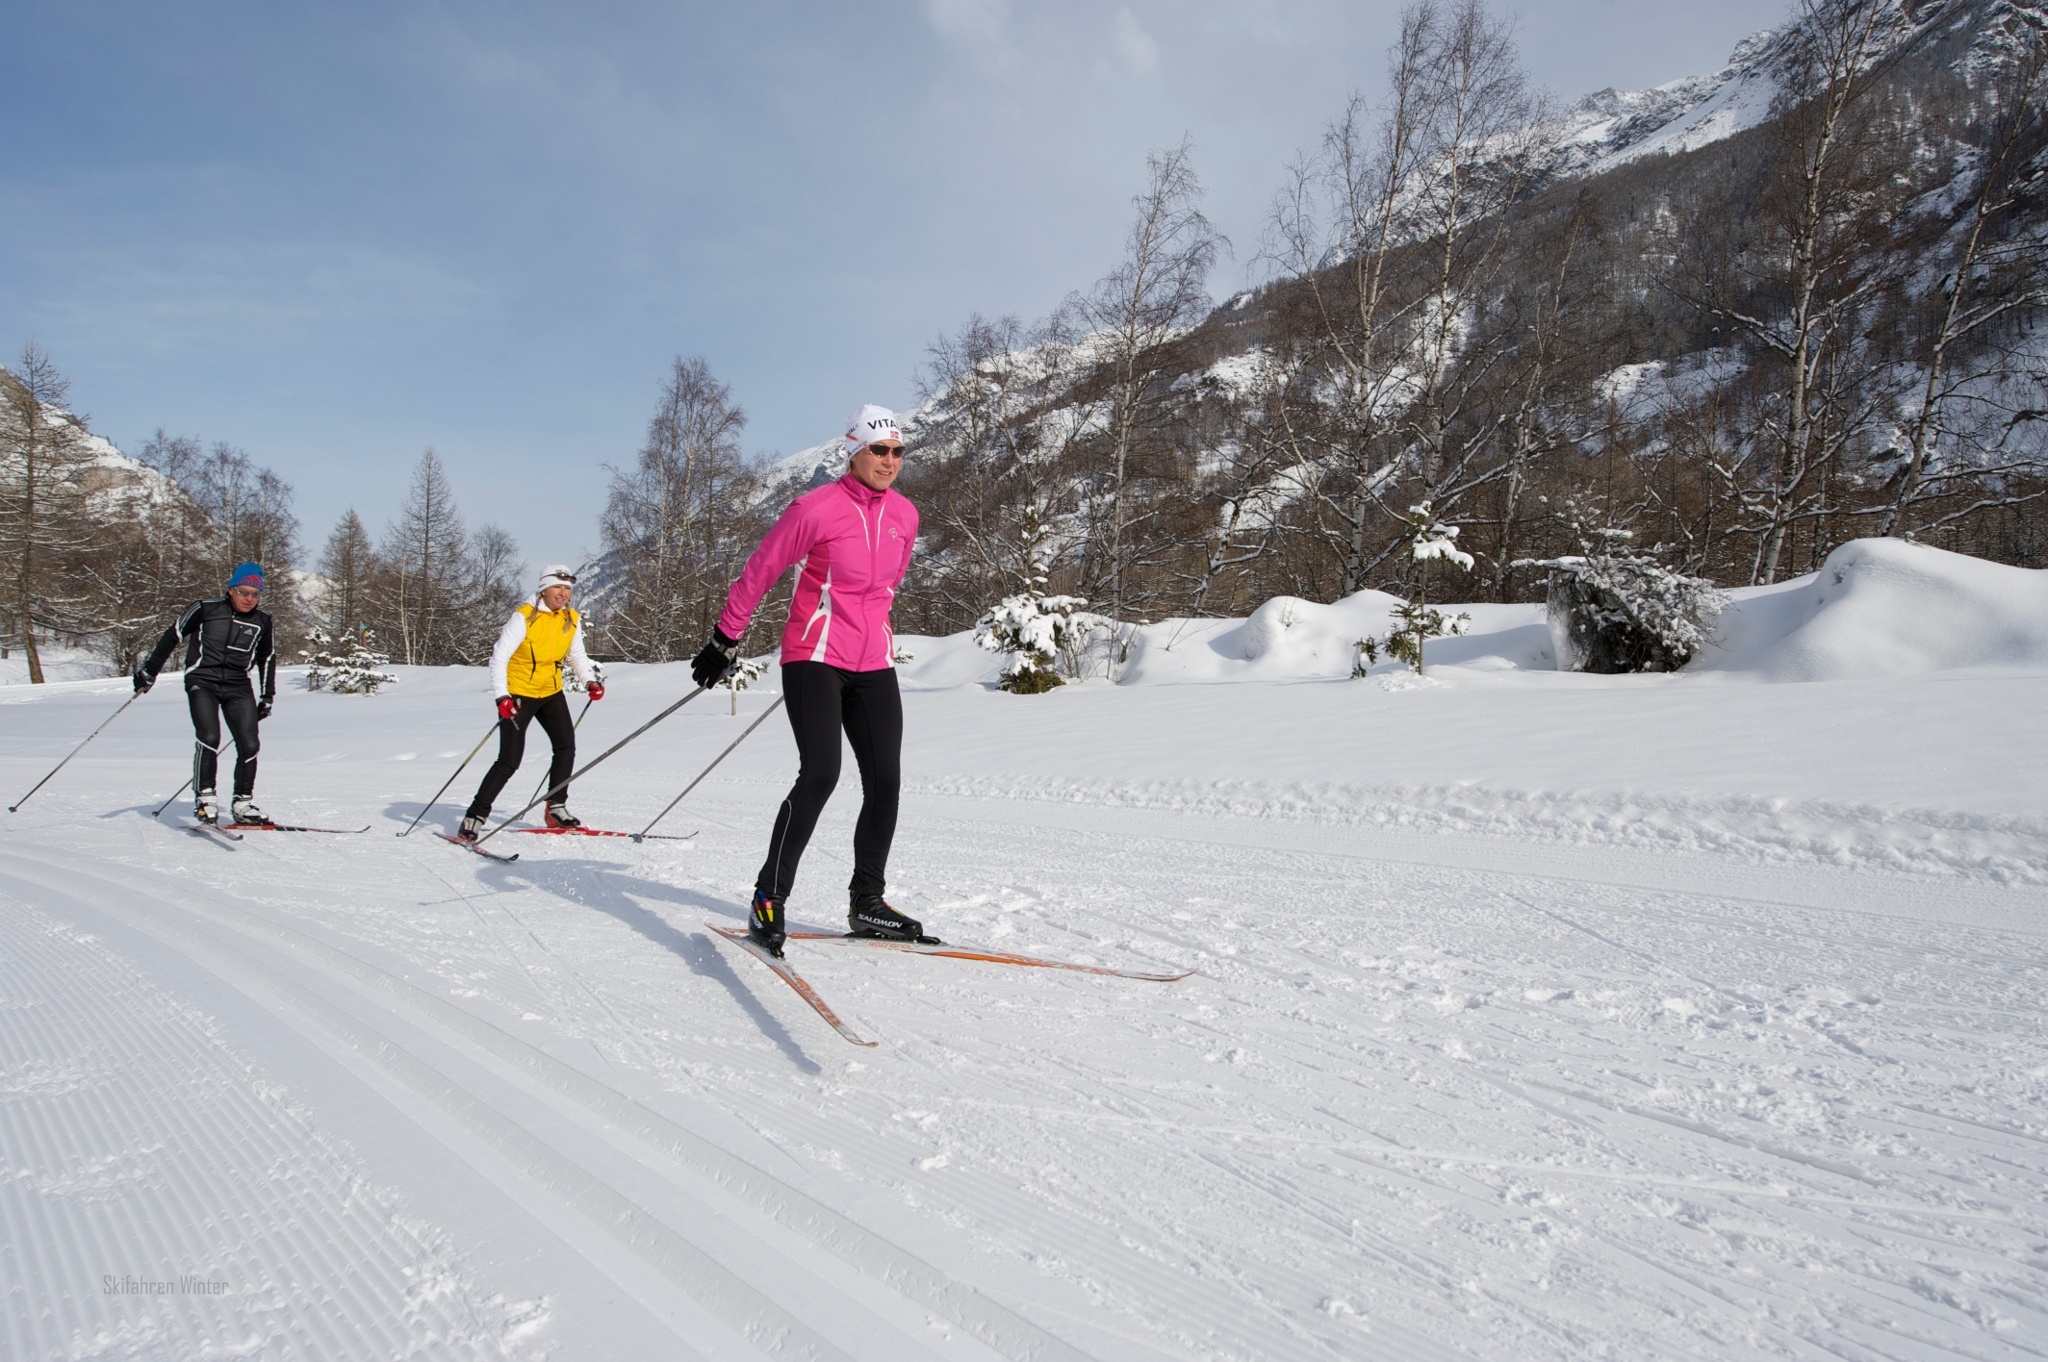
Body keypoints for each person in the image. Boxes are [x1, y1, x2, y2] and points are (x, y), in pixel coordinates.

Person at [693, 403, 925, 955]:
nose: (889, 461)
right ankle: (768, 897)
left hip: (873, 661)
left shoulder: (906, 516)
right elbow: (762, 568)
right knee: (821, 773)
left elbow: (886, 588)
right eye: (878, 450)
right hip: (813, 655)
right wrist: (725, 638)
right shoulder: (815, 509)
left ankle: (867, 902)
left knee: (885, 781)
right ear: (854, 452)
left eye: (897, 452)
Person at [457, 564, 605, 839]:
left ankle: (556, 808)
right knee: (509, 760)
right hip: (518, 694)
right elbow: (499, 657)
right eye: (557, 587)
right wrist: (502, 696)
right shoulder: (523, 618)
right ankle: (474, 816)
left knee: (565, 747)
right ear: (544, 589)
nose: (563, 594)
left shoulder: (570, 618)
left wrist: (589, 681)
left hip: (550, 691)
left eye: (568, 589)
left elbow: (576, 656)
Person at [134, 561, 278, 826]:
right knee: (209, 736)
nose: (249, 598)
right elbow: (173, 635)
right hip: (202, 680)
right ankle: (205, 800)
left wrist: (267, 696)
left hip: (238, 685)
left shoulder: (263, 621)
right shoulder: (204, 609)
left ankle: (243, 804)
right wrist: (150, 671)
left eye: (255, 594)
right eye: (244, 592)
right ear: (231, 590)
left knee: (250, 744)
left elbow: (266, 658)